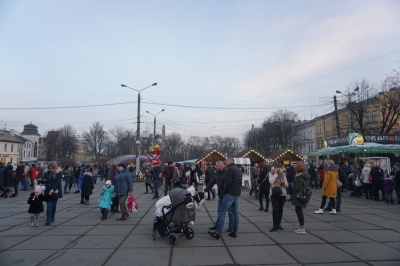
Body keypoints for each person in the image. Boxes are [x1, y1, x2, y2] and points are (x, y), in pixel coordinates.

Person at [208, 157, 242, 239]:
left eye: (226, 160)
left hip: (229, 194)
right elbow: (240, 182)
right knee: (235, 212)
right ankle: (234, 231)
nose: (225, 162)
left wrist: (225, 192)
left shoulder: (230, 169)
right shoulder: (238, 169)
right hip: (236, 194)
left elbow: (228, 183)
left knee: (222, 212)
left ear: (230, 161)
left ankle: (217, 233)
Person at [205, 161, 227, 230]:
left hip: (226, 195)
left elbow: (227, 185)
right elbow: (212, 181)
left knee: (226, 212)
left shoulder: (226, 173)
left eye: (217, 166)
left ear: (221, 166)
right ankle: (218, 225)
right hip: (221, 194)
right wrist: (205, 190)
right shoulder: (217, 173)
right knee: (220, 211)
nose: (215, 168)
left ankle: (220, 229)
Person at [268, 162, 289, 232]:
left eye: (280, 168)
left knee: (280, 209)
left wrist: (283, 183)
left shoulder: (283, 174)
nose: (279, 169)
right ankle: (274, 225)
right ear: (274, 167)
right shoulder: (271, 173)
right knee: (275, 209)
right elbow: (271, 181)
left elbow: (286, 184)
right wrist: (276, 174)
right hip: (274, 193)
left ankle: (279, 224)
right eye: (278, 168)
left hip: (282, 193)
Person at [292, 163, 310, 234]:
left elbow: (297, 188)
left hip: (299, 196)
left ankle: (302, 227)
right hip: (304, 195)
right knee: (299, 210)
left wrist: (292, 185)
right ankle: (301, 226)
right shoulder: (305, 177)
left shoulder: (299, 177)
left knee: (299, 211)